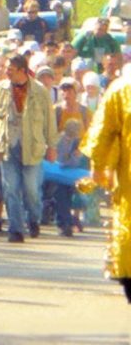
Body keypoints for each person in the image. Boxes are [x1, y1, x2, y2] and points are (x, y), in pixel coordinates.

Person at [0, 54, 58, 243]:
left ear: (22, 71)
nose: (6, 72)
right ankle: (16, 229)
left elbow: (49, 120)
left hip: (32, 146)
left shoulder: (40, 91)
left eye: (11, 69)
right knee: (10, 188)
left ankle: (34, 218)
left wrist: (52, 146)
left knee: (32, 190)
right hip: (7, 145)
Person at [80, 75, 131, 302]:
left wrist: (98, 166)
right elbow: (103, 132)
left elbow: (102, 133)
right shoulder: (122, 89)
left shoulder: (121, 87)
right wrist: (99, 166)